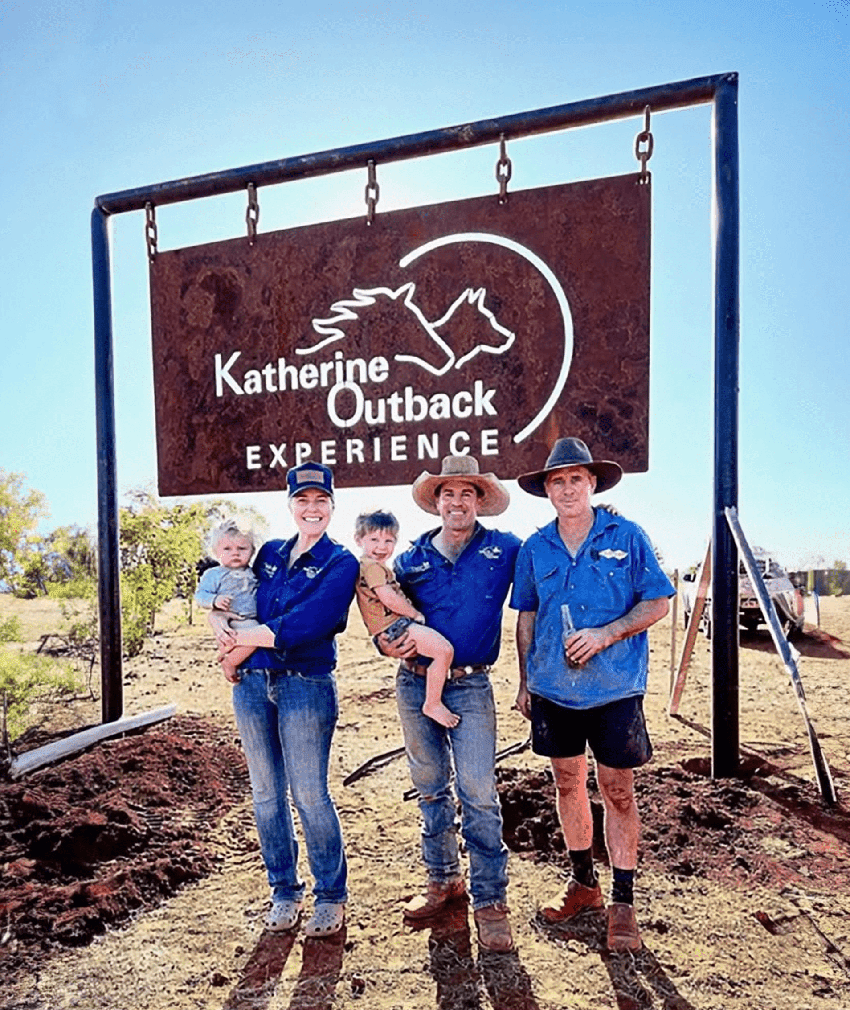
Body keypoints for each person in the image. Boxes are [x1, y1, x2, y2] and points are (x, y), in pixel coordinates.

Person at [510, 437, 674, 952]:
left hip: (614, 689)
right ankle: (584, 884)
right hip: (554, 690)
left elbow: (659, 603)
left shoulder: (627, 536)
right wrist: (523, 682)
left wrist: (606, 634)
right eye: (557, 481)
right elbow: (528, 617)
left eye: (575, 479)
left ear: (592, 484)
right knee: (566, 783)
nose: (566, 489)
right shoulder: (535, 547)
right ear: (547, 491)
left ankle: (623, 903)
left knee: (618, 790)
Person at [209, 461, 358, 938]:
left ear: (332, 506)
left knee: (309, 794)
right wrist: (222, 631)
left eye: (320, 501)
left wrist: (237, 651)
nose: (311, 509)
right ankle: (284, 890)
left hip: (305, 685)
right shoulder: (268, 552)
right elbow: (238, 596)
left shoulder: (341, 563)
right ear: (291, 504)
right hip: (253, 686)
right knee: (266, 794)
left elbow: (305, 624)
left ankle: (331, 895)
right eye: (302, 500)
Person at [380, 455, 521, 953]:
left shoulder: (505, 549)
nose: (456, 502)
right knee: (430, 786)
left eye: (467, 493)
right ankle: (443, 880)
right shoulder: (412, 557)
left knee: (479, 791)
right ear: (436, 501)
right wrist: (385, 641)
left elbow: (532, 605)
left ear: (480, 501)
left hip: (472, 685)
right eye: (447, 494)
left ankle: (490, 900)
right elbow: (381, 612)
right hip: (415, 683)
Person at [354, 510, 458, 728]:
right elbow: (388, 598)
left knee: (437, 651)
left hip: (391, 626)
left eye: (388, 541)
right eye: (374, 540)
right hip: (395, 625)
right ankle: (432, 703)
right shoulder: (371, 567)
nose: (381, 547)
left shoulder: (373, 566)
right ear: (358, 540)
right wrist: (414, 614)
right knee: (444, 651)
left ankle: (432, 697)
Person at [195, 520, 259, 684]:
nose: (235, 553)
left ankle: (230, 656)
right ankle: (230, 663)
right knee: (256, 637)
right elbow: (200, 596)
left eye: (242, 548)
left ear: (252, 551)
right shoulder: (214, 574)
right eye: (227, 549)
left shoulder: (254, 573)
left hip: (251, 618)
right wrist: (214, 601)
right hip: (233, 621)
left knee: (258, 635)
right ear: (216, 552)